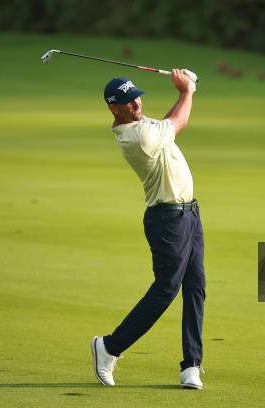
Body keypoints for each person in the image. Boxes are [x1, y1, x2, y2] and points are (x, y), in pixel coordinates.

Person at [91, 69, 206, 389]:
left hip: (190, 214)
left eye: (136, 96)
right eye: (129, 102)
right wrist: (187, 91)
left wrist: (187, 90)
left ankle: (191, 366)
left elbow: (167, 123)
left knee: (196, 287)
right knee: (166, 290)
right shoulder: (135, 137)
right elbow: (178, 122)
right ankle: (109, 347)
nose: (137, 103)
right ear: (115, 108)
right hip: (168, 220)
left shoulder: (142, 124)